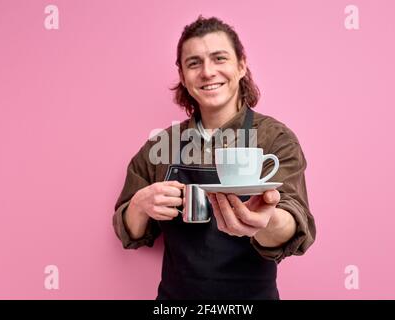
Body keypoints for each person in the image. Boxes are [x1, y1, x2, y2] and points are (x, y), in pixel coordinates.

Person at [112, 16, 316, 300]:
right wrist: (139, 205)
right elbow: (129, 232)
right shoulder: (161, 145)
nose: (207, 72)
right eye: (194, 63)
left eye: (219, 58)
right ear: (183, 75)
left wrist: (264, 220)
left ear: (241, 65)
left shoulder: (275, 138)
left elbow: (294, 223)